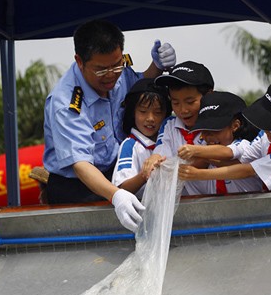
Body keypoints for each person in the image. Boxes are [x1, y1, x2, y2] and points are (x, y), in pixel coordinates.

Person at [43, 19, 176, 232]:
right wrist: (116, 195)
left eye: (116, 65)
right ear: (80, 61)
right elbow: (81, 164)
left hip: (117, 172)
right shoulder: (66, 103)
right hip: (79, 186)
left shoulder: (118, 71)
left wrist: (158, 66)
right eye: (101, 70)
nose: (111, 75)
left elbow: (139, 87)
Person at [178, 81, 271, 191]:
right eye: (265, 124)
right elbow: (238, 162)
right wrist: (205, 158)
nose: (268, 132)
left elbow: (248, 170)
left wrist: (200, 174)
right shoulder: (266, 135)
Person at [142, 60, 214, 195]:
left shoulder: (218, 126)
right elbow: (161, 151)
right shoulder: (169, 125)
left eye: (190, 102)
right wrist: (154, 158)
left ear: (209, 96)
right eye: (175, 103)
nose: (183, 110)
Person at [177, 90, 261, 194]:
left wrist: (195, 151)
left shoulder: (244, 145)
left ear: (235, 126)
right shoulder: (207, 152)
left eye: (215, 130)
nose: (208, 136)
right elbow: (200, 161)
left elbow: (227, 152)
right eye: (204, 131)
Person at [112, 78, 171, 199]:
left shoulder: (170, 139)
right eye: (143, 111)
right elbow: (121, 188)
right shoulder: (130, 145)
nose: (150, 118)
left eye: (157, 112)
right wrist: (145, 174)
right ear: (132, 113)